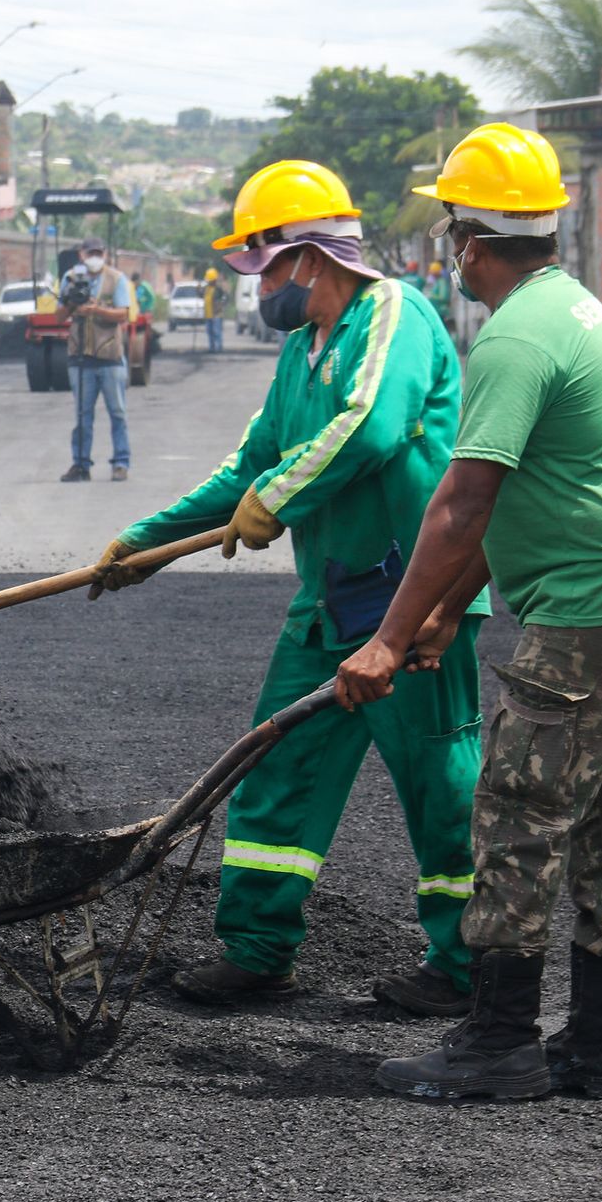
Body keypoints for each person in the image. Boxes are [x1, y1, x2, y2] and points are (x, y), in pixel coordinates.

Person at [337, 124, 602, 1102]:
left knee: (517, 813)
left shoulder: (510, 337)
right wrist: (438, 612)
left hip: (594, 610)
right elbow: (505, 506)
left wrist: (383, 637)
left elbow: (461, 502)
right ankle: (600, 1049)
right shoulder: (577, 310)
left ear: (466, 238)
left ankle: (497, 1040)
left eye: (452, 233)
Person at [90, 159, 488, 1016]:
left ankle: (465, 965)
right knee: (276, 768)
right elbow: (251, 463)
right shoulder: (303, 352)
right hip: (329, 600)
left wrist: (276, 496)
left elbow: (372, 427)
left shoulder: (394, 317)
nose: (259, 287)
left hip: (414, 604)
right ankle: (260, 948)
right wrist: (148, 544)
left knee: (438, 783)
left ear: (310, 256)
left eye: (266, 267)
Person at [58, 235, 132, 483]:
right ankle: (80, 464)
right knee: (82, 415)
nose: (94, 258)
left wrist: (97, 310)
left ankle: (120, 463)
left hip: (109, 356)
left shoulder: (116, 279)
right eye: (90, 253)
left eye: (98, 253)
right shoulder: (70, 278)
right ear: (81, 254)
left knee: (118, 413)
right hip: (80, 358)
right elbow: (59, 316)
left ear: (105, 255)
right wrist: (70, 302)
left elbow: (123, 314)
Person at [202, 266, 227, 352]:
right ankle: (211, 348)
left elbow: (225, 298)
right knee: (209, 332)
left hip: (216, 314)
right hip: (208, 314)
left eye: (210, 279)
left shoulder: (218, 289)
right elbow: (201, 295)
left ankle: (219, 348)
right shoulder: (206, 288)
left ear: (213, 280)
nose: (208, 281)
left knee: (217, 332)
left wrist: (221, 306)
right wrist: (198, 289)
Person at [425, 260, 453, 335]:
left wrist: (431, 297)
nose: (431, 274)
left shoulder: (442, 282)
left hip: (441, 311)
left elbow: (444, 297)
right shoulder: (437, 281)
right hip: (437, 311)